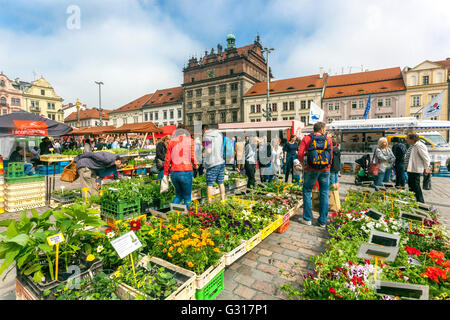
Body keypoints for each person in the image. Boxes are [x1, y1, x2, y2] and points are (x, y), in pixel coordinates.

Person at [298, 121, 333, 228]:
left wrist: (303, 165)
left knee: (307, 191)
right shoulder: (328, 140)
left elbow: (300, 153)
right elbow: (330, 156)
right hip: (325, 169)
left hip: (311, 169)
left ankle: (307, 218)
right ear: (322, 129)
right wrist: (328, 166)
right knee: (324, 193)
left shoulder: (307, 138)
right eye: (325, 129)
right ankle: (322, 221)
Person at [163, 124, 198, 208]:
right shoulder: (190, 141)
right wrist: (195, 165)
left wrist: (165, 173)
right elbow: (192, 156)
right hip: (186, 170)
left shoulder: (171, 142)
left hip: (174, 172)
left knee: (178, 195)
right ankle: (186, 216)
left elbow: (167, 159)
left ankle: (174, 214)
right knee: (187, 196)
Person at [405, 132, 431, 203]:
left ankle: (420, 202)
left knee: (416, 187)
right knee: (411, 187)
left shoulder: (419, 145)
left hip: (415, 169)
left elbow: (426, 158)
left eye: (407, 138)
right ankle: (413, 201)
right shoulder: (412, 145)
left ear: (412, 139)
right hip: (411, 170)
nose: (406, 140)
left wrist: (426, 168)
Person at [203, 125, 226, 202]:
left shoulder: (207, 136)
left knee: (210, 184)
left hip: (212, 163)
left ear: (205, 130)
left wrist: (203, 154)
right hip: (221, 161)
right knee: (221, 182)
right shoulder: (219, 134)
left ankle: (210, 203)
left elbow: (208, 151)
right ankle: (223, 200)